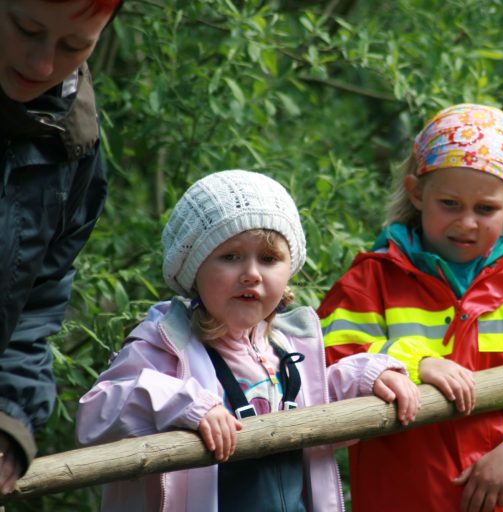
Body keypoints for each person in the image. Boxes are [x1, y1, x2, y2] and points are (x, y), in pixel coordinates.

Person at [317, 104, 503, 512]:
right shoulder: (372, 281)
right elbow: (328, 361)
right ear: (417, 192)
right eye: (450, 204)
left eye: (485, 209)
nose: (467, 223)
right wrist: (414, 364)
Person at [76, 170, 416, 511]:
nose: (251, 273)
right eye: (231, 256)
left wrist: (368, 377)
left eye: (268, 259)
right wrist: (185, 405)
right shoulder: (167, 344)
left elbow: (319, 402)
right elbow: (96, 415)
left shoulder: (288, 347)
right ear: (193, 268)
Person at [0, 0, 123, 495]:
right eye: (25, 29)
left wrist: (9, 419)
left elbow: (31, 313)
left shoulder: (74, 151)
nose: (42, 65)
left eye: (75, 46)